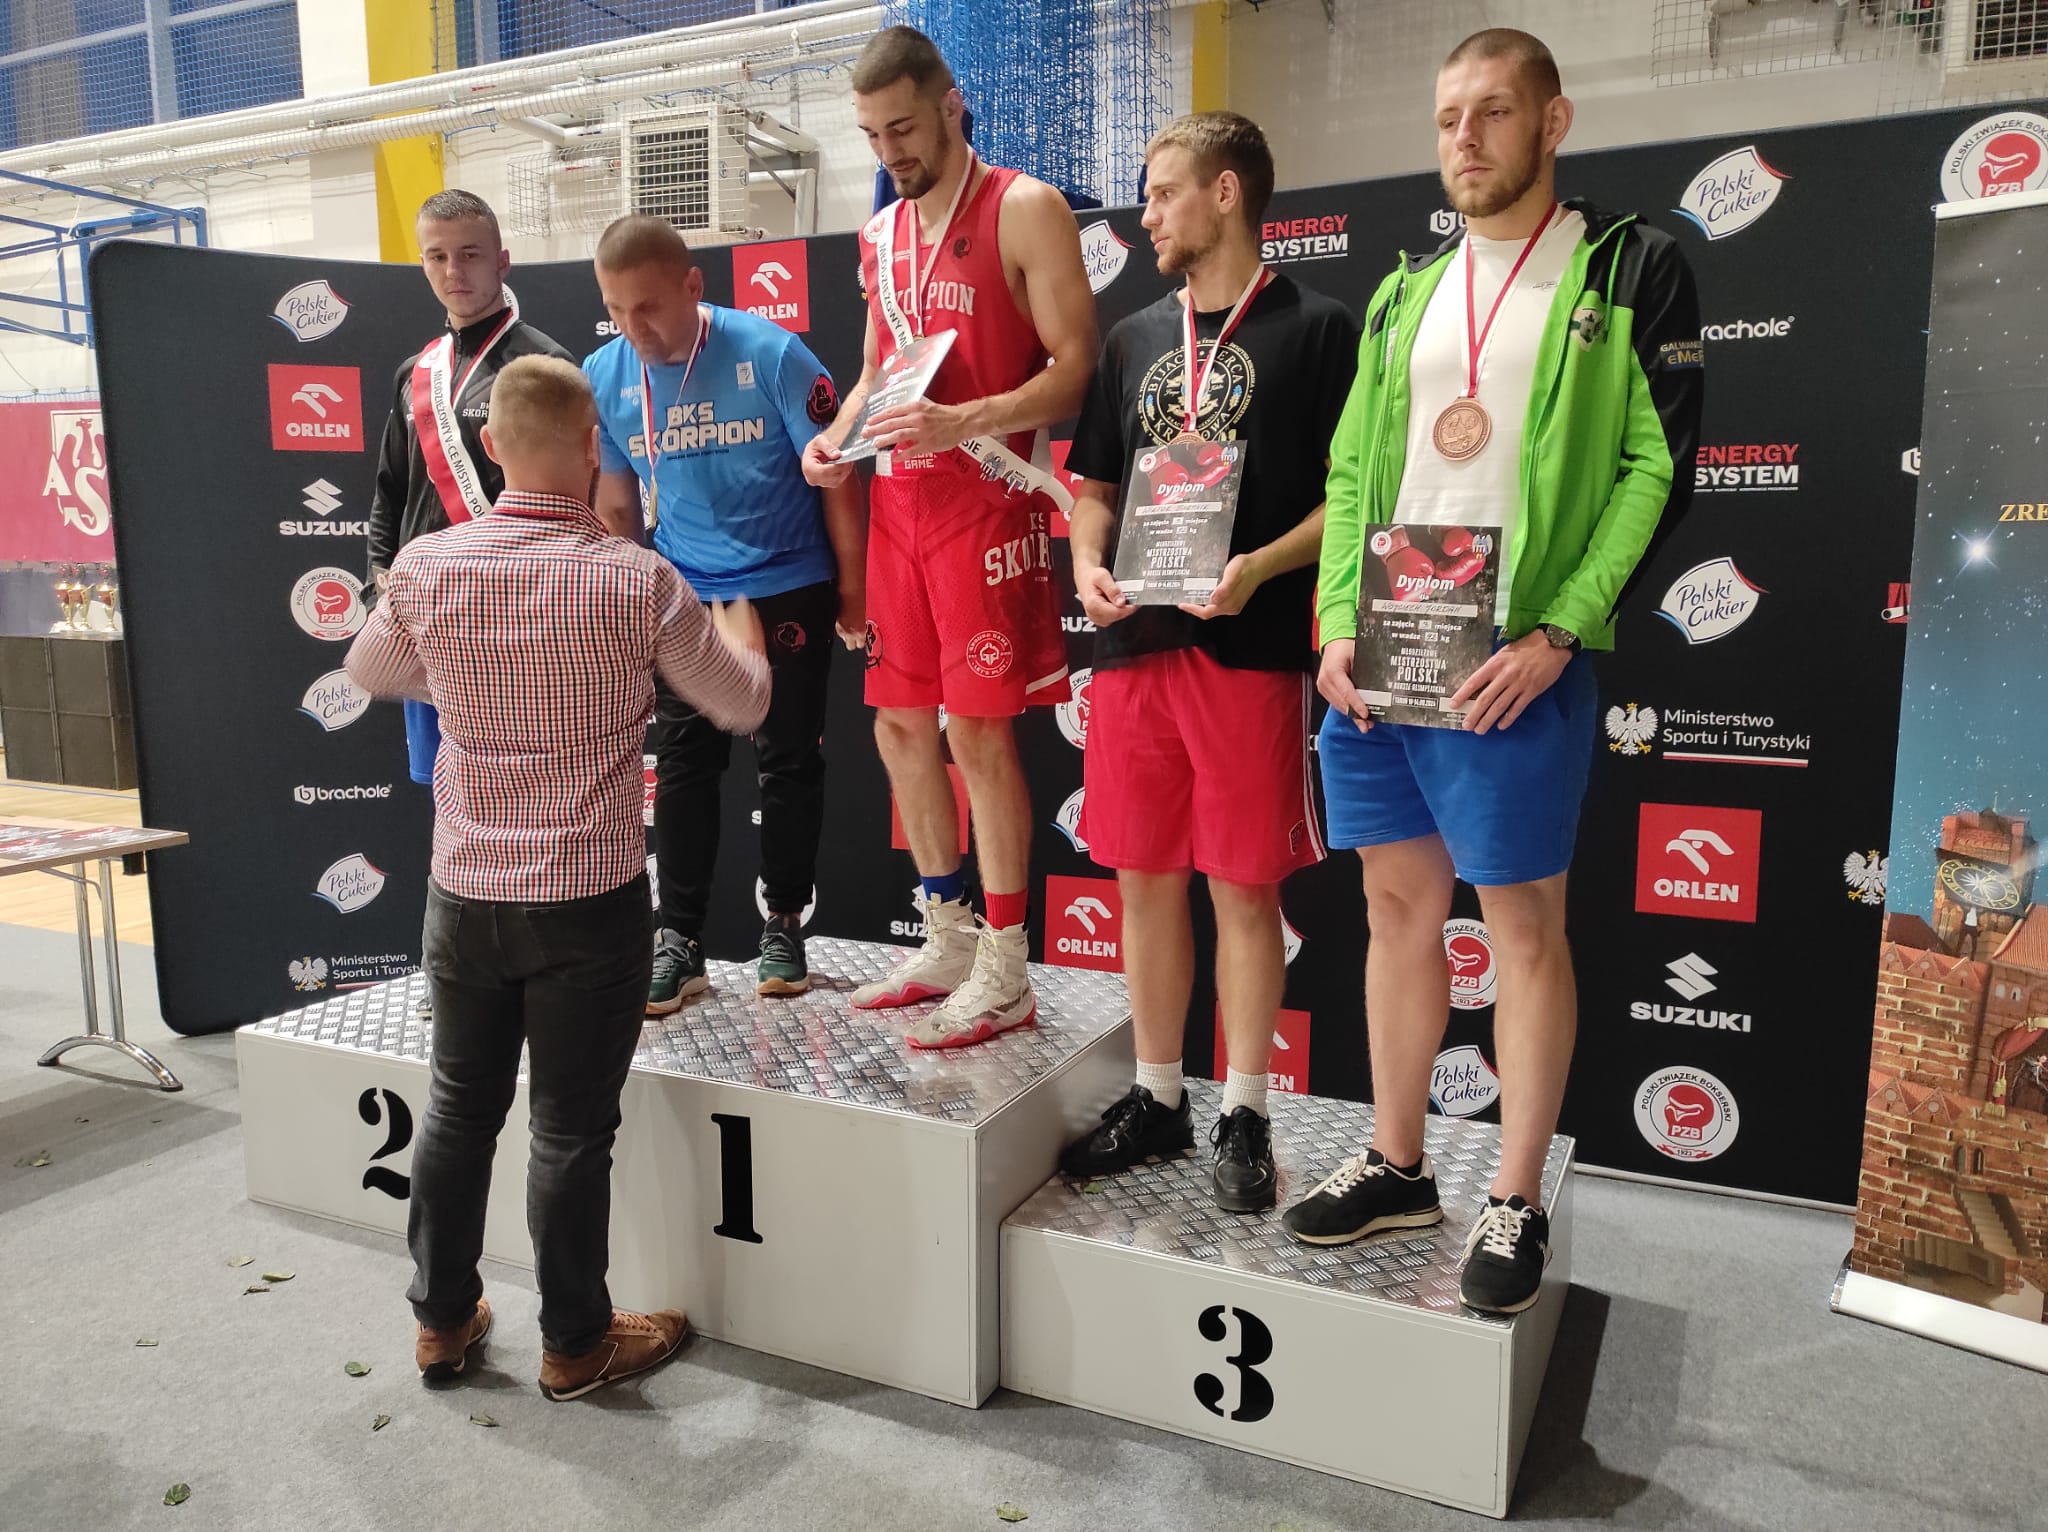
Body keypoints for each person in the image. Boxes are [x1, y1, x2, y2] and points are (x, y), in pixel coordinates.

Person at [1289, 28, 1703, 1313]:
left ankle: (1513, 1195)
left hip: (1510, 661)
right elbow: (1351, 467)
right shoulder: (1402, 293)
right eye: (1445, 118)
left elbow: (1653, 466)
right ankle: (1397, 1161)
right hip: (1387, 649)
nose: (1463, 138)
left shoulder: (1625, 266)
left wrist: (1559, 630)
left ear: (1552, 121)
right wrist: (1335, 618)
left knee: (1520, 931)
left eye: (1491, 112)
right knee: (1395, 910)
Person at [343, 356, 771, 1401]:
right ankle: (574, 1343)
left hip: (465, 893)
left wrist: (462, 670)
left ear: (492, 446)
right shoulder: (637, 579)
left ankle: (442, 1321)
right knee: (570, 1132)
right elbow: (743, 703)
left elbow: (367, 673)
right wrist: (744, 631)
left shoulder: (428, 566)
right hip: (589, 901)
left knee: (457, 1109)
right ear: (592, 449)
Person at [1052, 113, 1359, 1212]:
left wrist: (1258, 566)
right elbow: (1092, 487)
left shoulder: (1319, 329)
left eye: (1163, 192)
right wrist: (1087, 562)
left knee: (1242, 887)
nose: (1144, 216)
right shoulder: (1132, 336)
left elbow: (1351, 499)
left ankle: (1244, 1111)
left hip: (1248, 645)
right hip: (1134, 643)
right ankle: (1157, 1094)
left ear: (1225, 193)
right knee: (1141, 877)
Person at [802, 24, 1097, 1049]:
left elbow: (1075, 367)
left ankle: (1007, 968)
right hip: (900, 506)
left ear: (951, 105)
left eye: (904, 127)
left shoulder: (1023, 206)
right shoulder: (880, 234)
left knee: (977, 734)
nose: (889, 150)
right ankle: (948, 935)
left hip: (986, 504)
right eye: (871, 134)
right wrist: (836, 441)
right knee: (898, 726)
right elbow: (877, 368)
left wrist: (964, 419)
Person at [584, 215, 867, 1007]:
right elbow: (616, 504)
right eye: (615, 310)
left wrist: (854, 590)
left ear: (692, 285)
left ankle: (784, 924)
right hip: (685, 597)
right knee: (683, 766)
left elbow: (838, 479)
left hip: (789, 584)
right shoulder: (604, 374)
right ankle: (680, 940)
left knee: (788, 760)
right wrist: (630, 601)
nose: (633, 328)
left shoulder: (772, 353)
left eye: (648, 307)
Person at [365, 189, 574, 791]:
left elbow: (571, 500)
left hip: (512, 621)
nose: (453, 271)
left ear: (502, 261)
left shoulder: (544, 365)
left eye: (469, 254)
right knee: (442, 789)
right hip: (429, 618)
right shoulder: (415, 372)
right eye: (437, 256)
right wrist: (382, 582)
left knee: (521, 788)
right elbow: (390, 491)